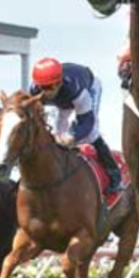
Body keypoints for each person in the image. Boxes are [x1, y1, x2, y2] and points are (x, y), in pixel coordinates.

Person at [28, 59, 121, 194]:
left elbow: (87, 122)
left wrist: (72, 136)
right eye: (41, 87)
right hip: (63, 101)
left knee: (91, 133)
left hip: (89, 88)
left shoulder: (75, 89)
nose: (44, 92)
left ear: (58, 83)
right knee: (56, 132)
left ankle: (114, 173)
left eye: (48, 88)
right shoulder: (34, 90)